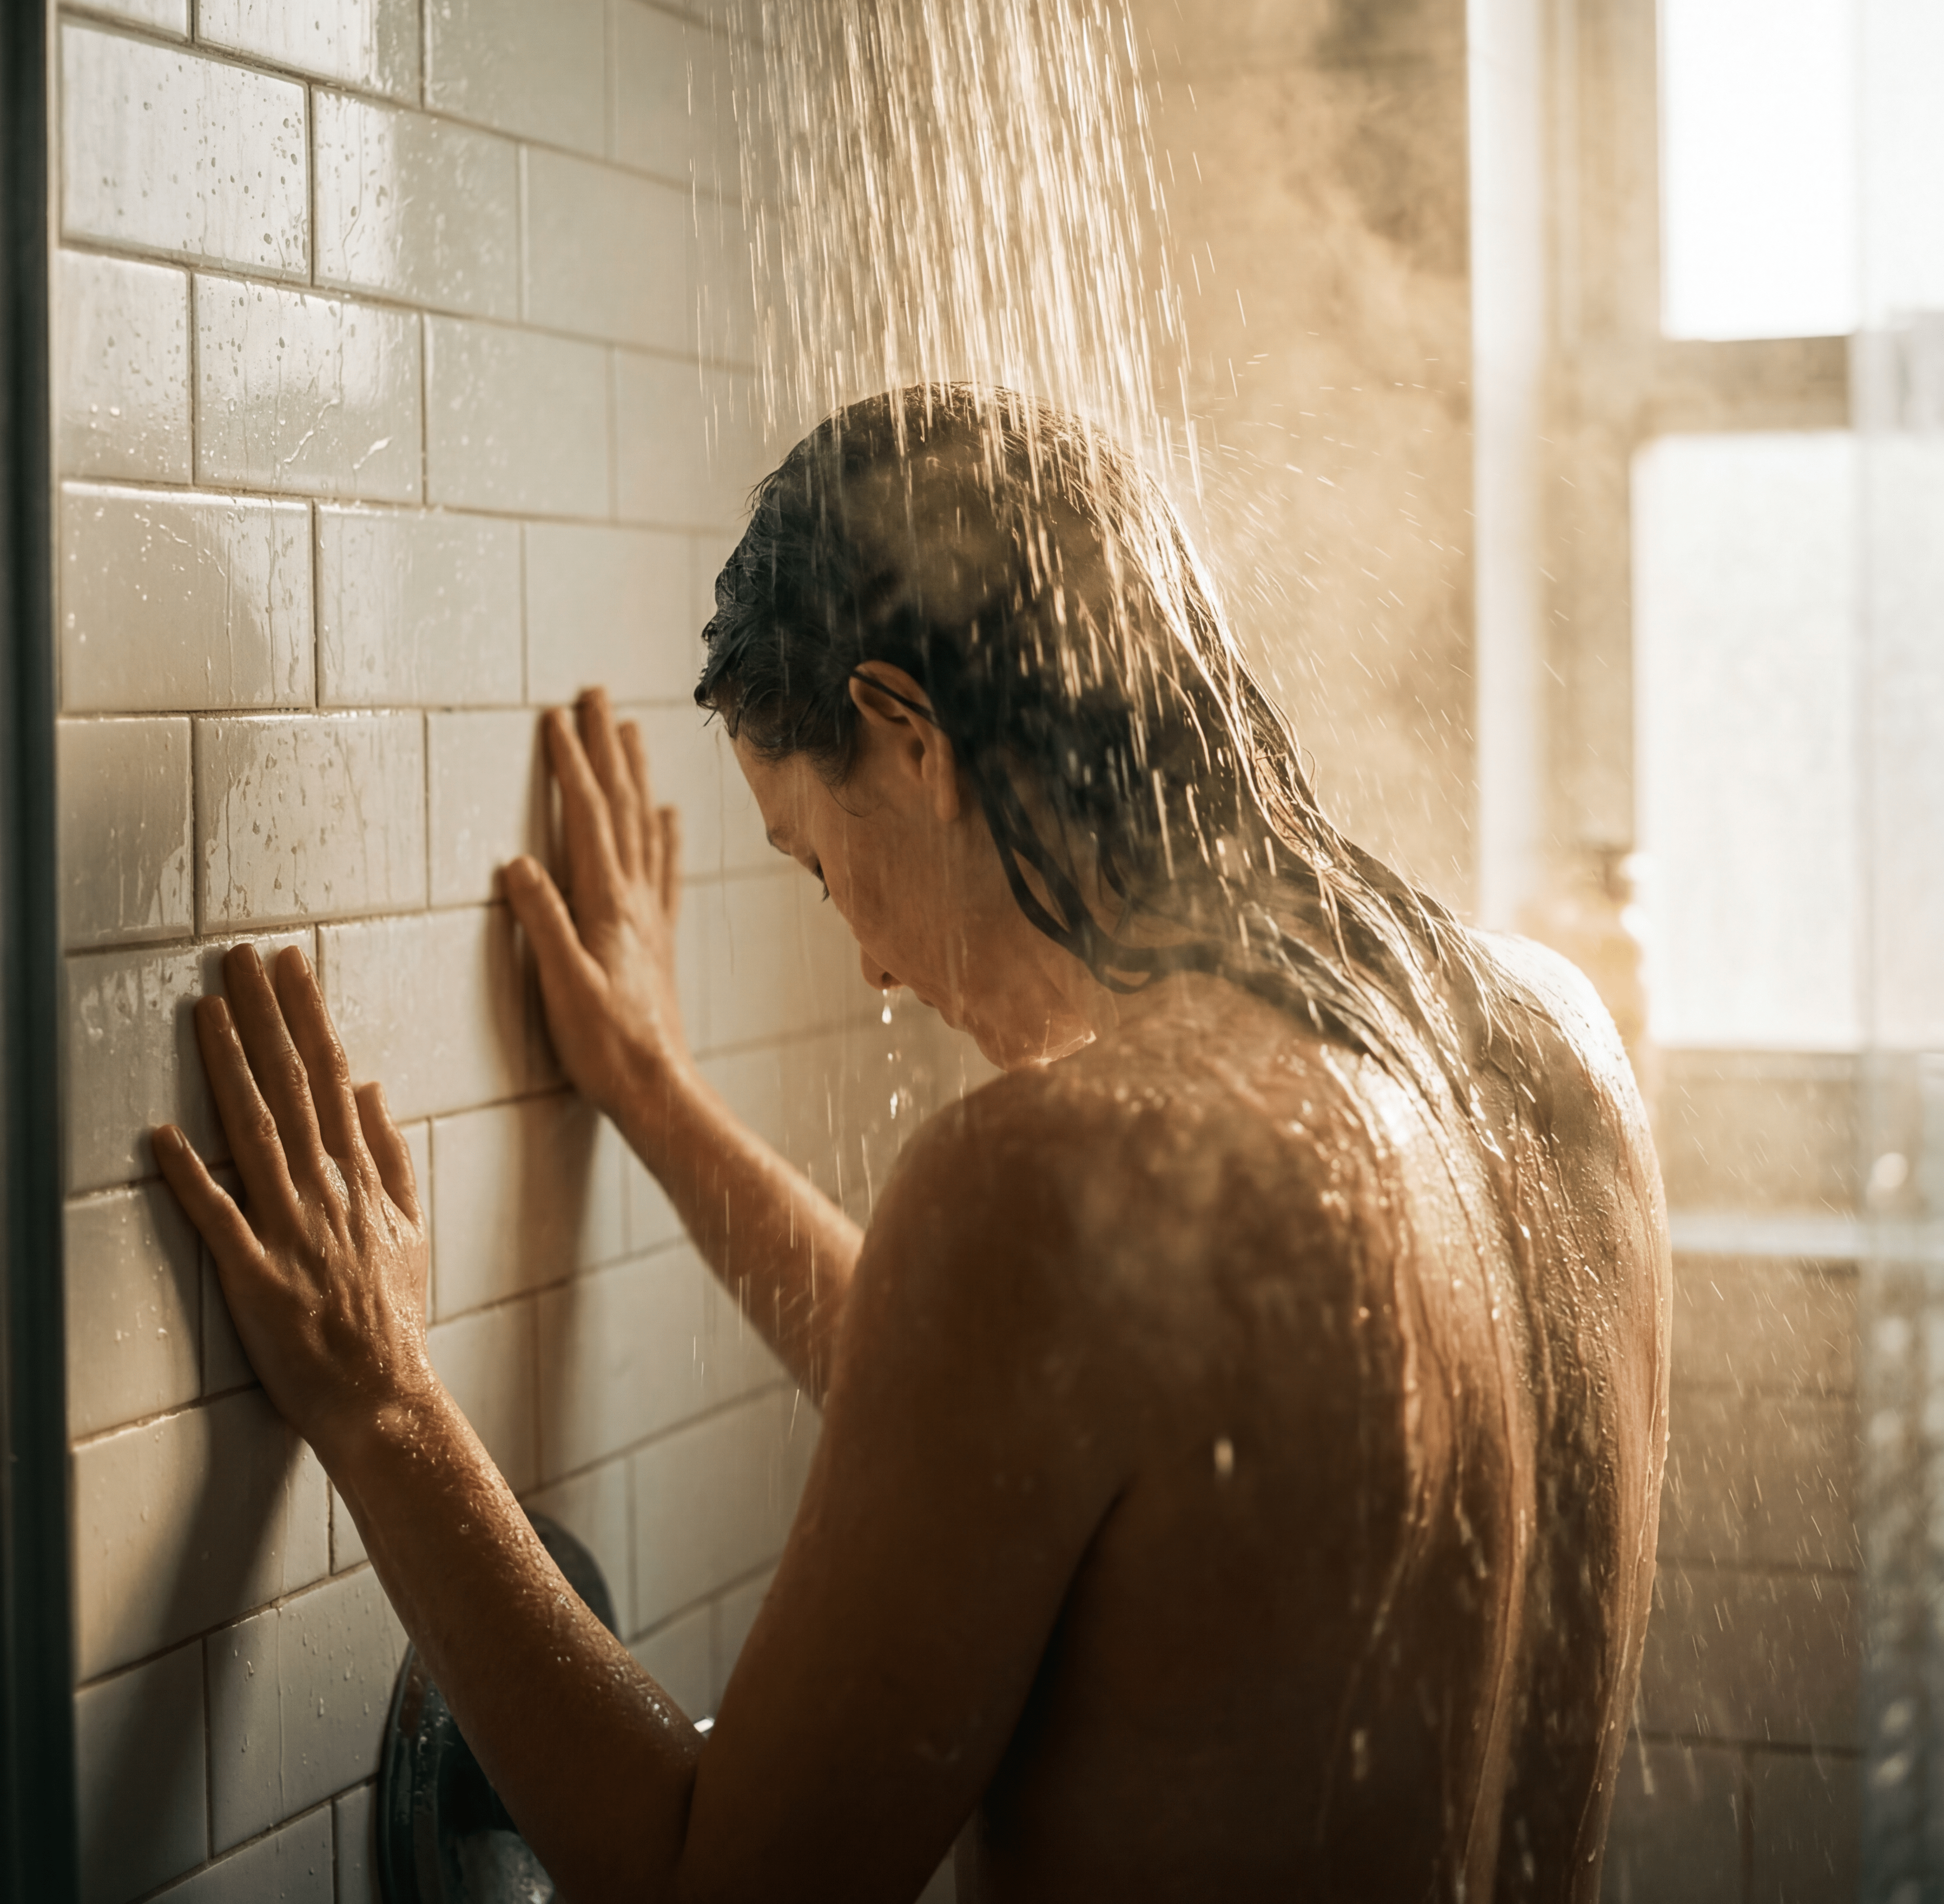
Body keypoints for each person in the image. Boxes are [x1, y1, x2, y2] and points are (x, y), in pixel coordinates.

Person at [156, 387, 1670, 1902]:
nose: (871, 963)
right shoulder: (1549, 1049)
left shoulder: (1052, 1179)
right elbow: (1021, 1430)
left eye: (823, 865)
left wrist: (378, 1399)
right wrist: (659, 1097)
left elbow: (714, 1885)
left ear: (904, 735)